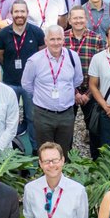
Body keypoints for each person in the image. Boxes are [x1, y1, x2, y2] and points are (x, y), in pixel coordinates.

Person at [22, 25, 82, 155]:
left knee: (64, 151)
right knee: (45, 152)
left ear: (63, 39)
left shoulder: (73, 57)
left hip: (66, 113)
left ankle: (62, 175)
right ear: (46, 41)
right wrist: (42, 96)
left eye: (59, 39)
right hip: (43, 114)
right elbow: (26, 84)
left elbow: (77, 80)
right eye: (52, 39)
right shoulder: (35, 60)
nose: (56, 43)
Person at [0, 0, 45, 150]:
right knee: (10, 119)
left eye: (22, 11)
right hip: (11, 83)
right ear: (11, 14)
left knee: (32, 118)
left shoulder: (36, 32)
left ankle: (36, 149)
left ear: (27, 13)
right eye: (16, 11)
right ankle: (12, 149)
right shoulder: (3, 33)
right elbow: (0, 55)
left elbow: (42, 54)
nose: (19, 15)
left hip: (32, 84)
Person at [64, 6, 105, 156]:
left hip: (91, 90)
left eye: (81, 17)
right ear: (69, 20)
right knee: (66, 130)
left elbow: (102, 68)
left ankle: (97, 162)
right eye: (75, 18)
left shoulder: (97, 39)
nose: (78, 21)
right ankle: (66, 163)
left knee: (94, 130)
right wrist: (74, 92)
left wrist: (88, 94)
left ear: (86, 19)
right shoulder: (63, 38)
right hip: (69, 91)